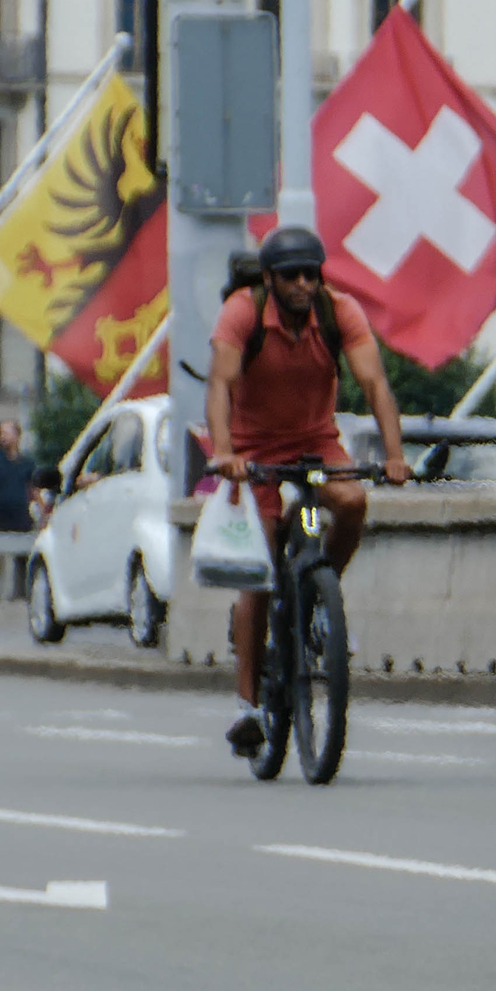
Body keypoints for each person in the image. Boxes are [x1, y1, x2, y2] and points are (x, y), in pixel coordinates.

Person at [205, 227, 410, 757]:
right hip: (254, 451)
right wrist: (226, 452)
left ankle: (320, 596)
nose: (302, 283)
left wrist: (394, 456)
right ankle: (248, 707)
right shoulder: (242, 313)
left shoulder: (340, 312)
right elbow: (220, 386)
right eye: (291, 275)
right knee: (261, 563)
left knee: (349, 501)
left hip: (317, 444)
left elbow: (375, 385)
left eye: (311, 273)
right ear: (270, 280)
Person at [0, 418, 35, 600]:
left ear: (17, 436)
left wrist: (43, 513)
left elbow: (33, 489)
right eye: (1, 433)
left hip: (20, 515)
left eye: (6, 433)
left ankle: (21, 592)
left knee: (22, 553)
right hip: (1, 515)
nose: (3, 437)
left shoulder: (27, 463)